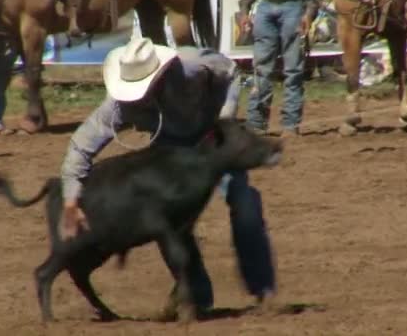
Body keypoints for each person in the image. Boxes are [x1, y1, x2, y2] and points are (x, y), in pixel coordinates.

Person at [60, 37, 276, 312]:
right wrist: (70, 200)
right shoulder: (120, 105)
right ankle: (196, 295)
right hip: (170, 151)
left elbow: (231, 72)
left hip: (214, 140)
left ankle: (262, 288)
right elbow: (80, 146)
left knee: (244, 199)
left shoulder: (195, 65)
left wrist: (225, 119)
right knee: (170, 219)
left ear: (160, 75)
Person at [239, 0, 320, 137]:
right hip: (266, 6)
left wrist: (309, 13)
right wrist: (244, 11)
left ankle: (290, 124)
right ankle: (256, 123)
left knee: (293, 69)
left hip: (294, 6)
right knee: (261, 69)